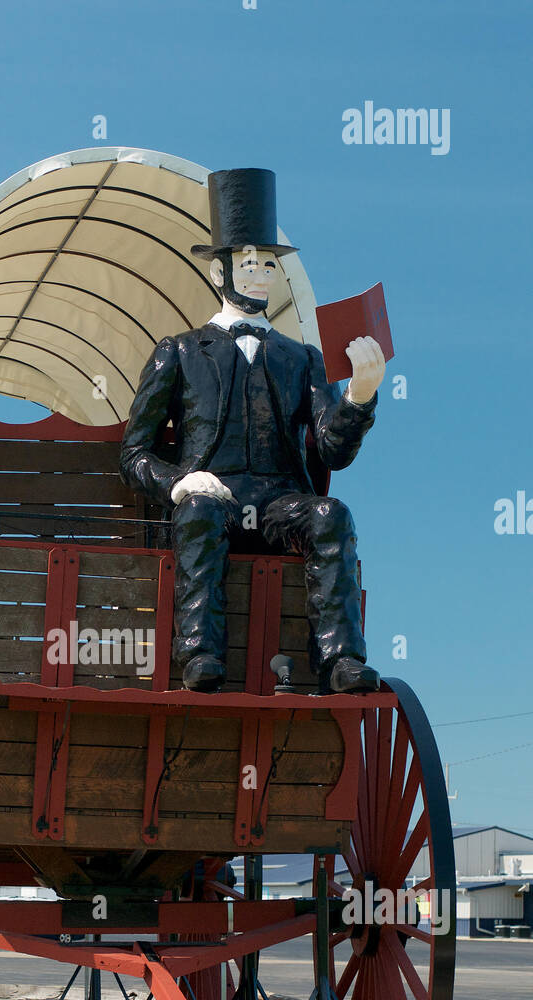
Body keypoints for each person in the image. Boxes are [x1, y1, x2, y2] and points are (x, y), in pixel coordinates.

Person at [120, 168, 385, 694]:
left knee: (332, 514)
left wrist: (360, 395)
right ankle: (200, 653)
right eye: (246, 263)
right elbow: (133, 453)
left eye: (267, 263)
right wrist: (179, 482)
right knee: (196, 510)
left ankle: (339, 660)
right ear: (219, 273)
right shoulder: (178, 352)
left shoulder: (301, 358)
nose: (260, 274)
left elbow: (332, 451)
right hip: (211, 499)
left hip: (278, 506)